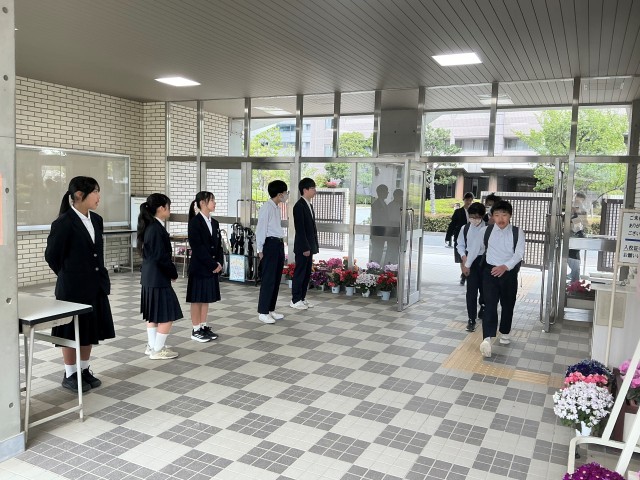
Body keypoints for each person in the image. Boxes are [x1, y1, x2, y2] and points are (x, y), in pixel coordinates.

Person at [45, 176, 115, 392]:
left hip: (95, 285)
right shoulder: (64, 223)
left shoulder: (97, 220)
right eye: (95, 191)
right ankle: (70, 374)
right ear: (79, 195)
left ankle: (83, 370)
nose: (98, 196)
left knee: (89, 330)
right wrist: (69, 275)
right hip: (72, 289)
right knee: (70, 331)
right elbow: (52, 256)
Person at [468, 200, 525, 358]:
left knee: (508, 304)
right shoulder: (485, 231)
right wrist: (467, 265)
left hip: (509, 273)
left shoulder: (517, 232)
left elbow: (519, 254)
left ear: (510, 216)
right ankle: (487, 338)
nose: (501, 218)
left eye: (504, 215)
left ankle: (505, 331)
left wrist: (505, 267)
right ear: (492, 216)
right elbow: (475, 249)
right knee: (489, 304)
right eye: (497, 215)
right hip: (490, 272)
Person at [137, 193, 182, 360]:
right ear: (161, 208)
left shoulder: (149, 226)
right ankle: (158, 349)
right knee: (168, 314)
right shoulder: (156, 228)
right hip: (158, 278)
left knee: (153, 314)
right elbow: (161, 257)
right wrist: (173, 273)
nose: (169, 210)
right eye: (168, 206)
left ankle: (152, 346)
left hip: (149, 278)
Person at [186, 191, 224, 342]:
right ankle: (196, 329)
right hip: (200, 267)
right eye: (212, 200)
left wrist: (219, 263)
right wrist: (212, 264)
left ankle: (203, 326)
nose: (215, 203)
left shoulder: (214, 223)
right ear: (202, 203)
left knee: (205, 298)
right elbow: (198, 247)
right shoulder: (195, 222)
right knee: (196, 299)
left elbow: (219, 245)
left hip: (212, 266)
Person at [256, 180, 288, 324]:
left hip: (278, 244)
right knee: (268, 279)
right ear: (279, 194)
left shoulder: (276, 207)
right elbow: (261, 229)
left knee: (275, 279)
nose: (286, 195)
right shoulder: (266, 208)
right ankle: (263, 312)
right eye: (285, 193)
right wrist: (260, 249)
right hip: (269, 245)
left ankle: (270, 309)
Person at [457, 202, 487, 333]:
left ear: (482, 216)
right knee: (471, 291)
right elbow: (460, 244)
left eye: (477, 217)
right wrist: (464, 259)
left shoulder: (488, 228)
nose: (474, 219)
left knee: (485, 289)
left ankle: (483, 306)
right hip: (470, 261)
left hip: (484, 261)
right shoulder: (465, 228)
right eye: (472, 217)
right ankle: (471, 319)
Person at [290, 178, 319, 310]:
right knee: (300, 273)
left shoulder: (309, 205)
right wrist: (306, 247)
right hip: (303, 247)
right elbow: (300, 229)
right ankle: (295, 300)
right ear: (305, 190)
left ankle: (302, 297)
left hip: (309, 246)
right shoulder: (299, 206)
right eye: (312, 188)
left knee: (306, 273)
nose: (315, 191)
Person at [445, 192, 475, 285]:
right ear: (464, 200)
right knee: (462, 257)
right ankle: (464, 275)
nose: (468, 202)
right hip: (459, 237)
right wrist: (448, 236)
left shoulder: (474, 212)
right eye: (467, 200)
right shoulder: (458, 212)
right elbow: (452, 224)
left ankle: (465, 274)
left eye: (470, 200)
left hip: (472, 238)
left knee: (469, 257)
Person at [568, 192, 588, 283]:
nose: (575, 199)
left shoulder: (581, 209)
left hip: (577, 236)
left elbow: (581, 223)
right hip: (573, 236)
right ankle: (574, 277)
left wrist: (572, 219)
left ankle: (575, 279)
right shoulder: (575, 207)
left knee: (573, 257)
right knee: (573, 257)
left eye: (577, 198)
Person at [370, 184, 390, 265]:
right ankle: (373, 267)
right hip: (377, 233)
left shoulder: (384, 203)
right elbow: (377, 219)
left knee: (380, 252)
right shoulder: (376, 204)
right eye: (386, 191)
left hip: (382, 233)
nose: (387, 193)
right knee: (376, 253)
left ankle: (376, 267)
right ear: (381, 192)